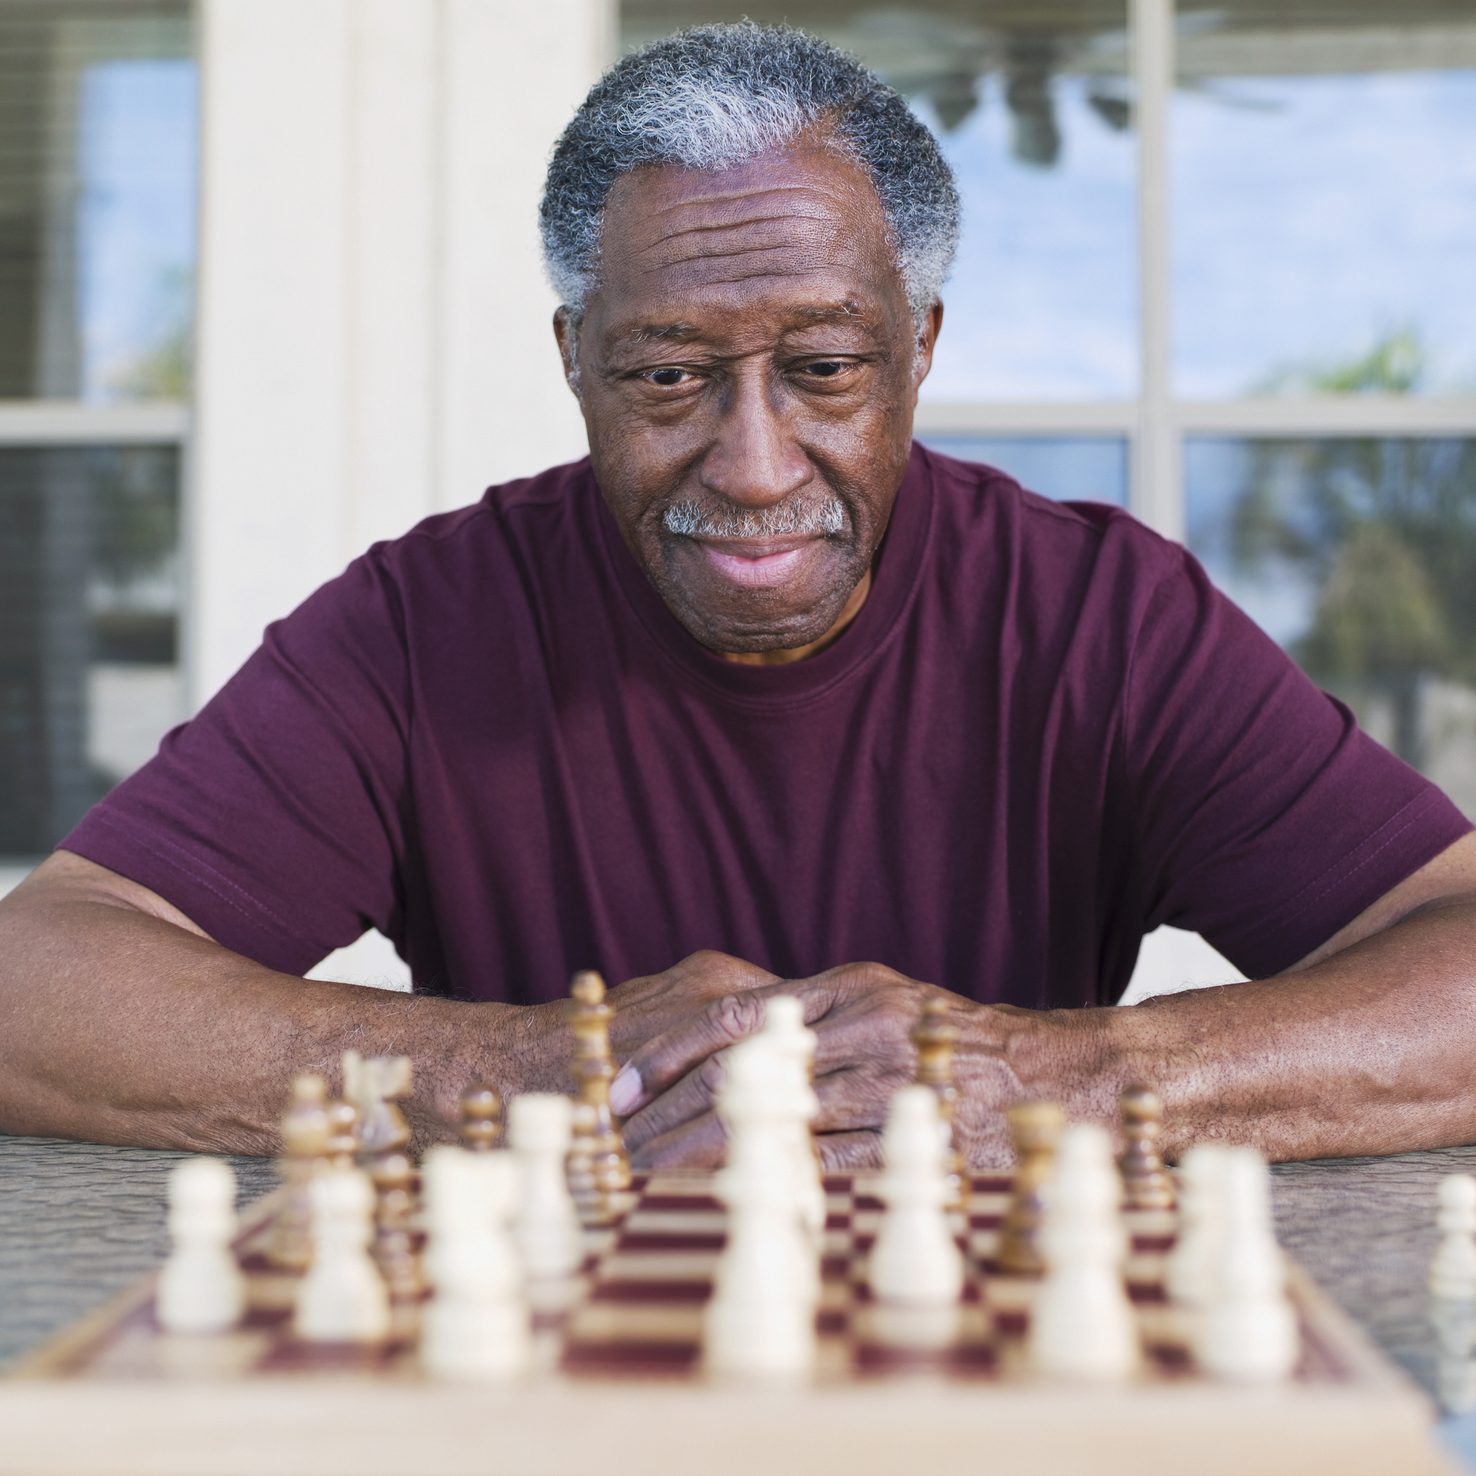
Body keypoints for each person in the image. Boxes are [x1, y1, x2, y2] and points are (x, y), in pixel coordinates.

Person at [2, 22, 1474, 1170]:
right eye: (667, 377)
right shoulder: (416, 627)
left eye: (824, 369)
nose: (757, 466)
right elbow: (40, 984)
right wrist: (531, 1075)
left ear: (920, 351)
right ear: (574, 359)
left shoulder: (1100, 615)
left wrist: (1065, 1078)